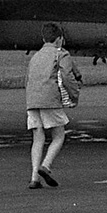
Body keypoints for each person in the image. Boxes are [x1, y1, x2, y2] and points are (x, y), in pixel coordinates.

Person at [24, 22, 80, 189]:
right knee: (58, 136)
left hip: (32, 100)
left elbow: (27, 79)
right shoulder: (61, 54)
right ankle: (46, 166)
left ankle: (34, 177)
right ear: (60, 39)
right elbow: (67, 76)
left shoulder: (35, 56)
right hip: (50, 99)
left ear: (43, 39)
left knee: (38, 138)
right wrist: (74, 95)